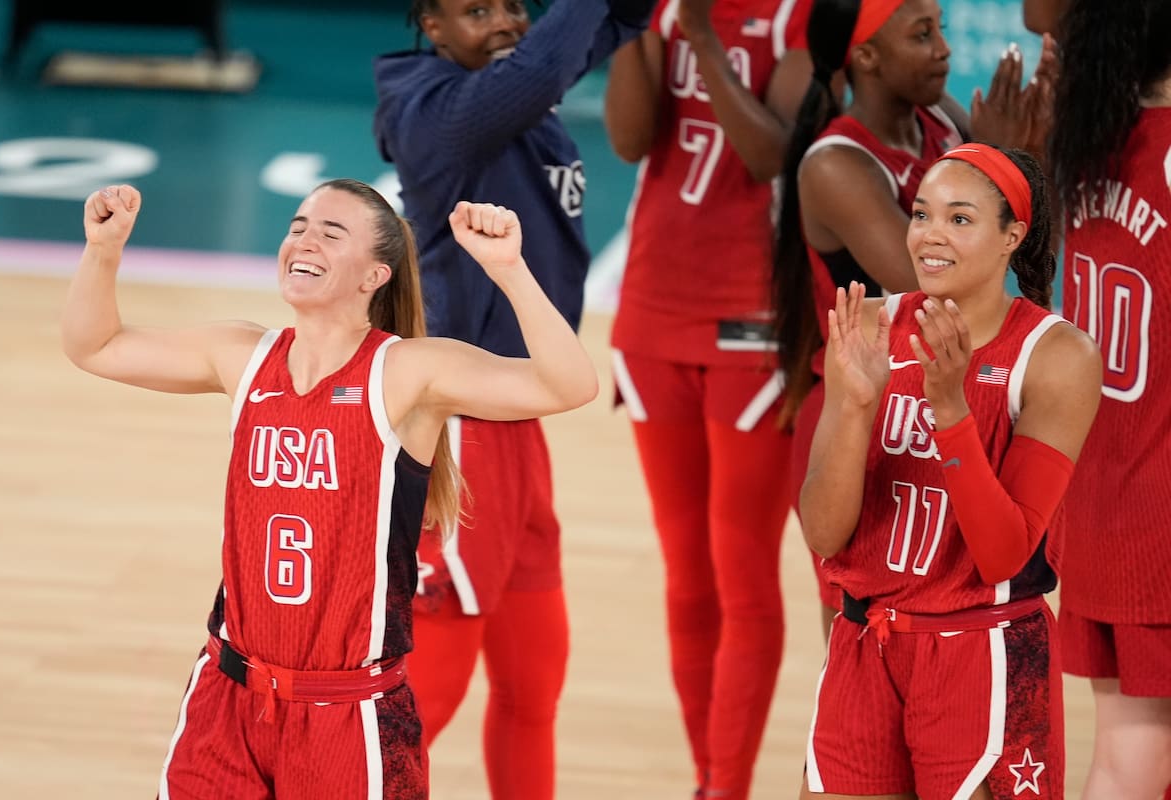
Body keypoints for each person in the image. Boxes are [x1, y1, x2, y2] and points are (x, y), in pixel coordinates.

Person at [60, 181, 598, 800]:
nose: (304, 240)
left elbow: (569, 386)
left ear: (375, 275)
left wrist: (509, 271)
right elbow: (93, 346)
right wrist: (103, 251)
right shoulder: (241, 354)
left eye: (330, 232)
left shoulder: (408, 371)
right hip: (227, 695)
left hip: (348, 716)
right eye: (297, 225)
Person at [372, 2, 651, 797]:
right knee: (420, 711)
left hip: (519, 430)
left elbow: (612, 23)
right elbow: (539, 69)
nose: (504, 20)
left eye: (512, 6)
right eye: (475, 9)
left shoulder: (508, 92)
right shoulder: (437, 114)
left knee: (534, 689)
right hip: (459, 437)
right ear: (428, 25)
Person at [798, 143, 1101, 799]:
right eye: (921, 215)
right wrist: (853, 406)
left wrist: (952, 409)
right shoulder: (873, 327)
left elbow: (1002, 554)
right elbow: (824, 536)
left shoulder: (1057, 357)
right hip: (865, 642)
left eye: (960, 219)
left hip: (984, 654)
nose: (931, 236)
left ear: (1011, 236)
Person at [772, 0, 1048, 631]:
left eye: (942, 30)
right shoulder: (836, 162)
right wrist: (999, 153)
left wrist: (1031, 148)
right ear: (865, 56)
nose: (944, 50)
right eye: (922, 35)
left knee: (958, 610)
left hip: (947, 398)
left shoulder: (941, 123)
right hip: (858, 409)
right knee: (861, 626)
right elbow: (929, 288)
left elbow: (1016, 236)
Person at [602, 0, 814, 797]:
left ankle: (727, 784)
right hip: (653, 311)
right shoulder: (655, 11)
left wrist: (703, 44)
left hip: (754, 318)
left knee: (744, 573)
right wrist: (629, 25)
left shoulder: (795, 14)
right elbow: (628, 139)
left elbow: (769, 155)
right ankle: (705, 780)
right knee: (687, 573)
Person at [1043, 1, 1171, 797]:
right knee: (1134, 765)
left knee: (1128, 754)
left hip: (1098, 501)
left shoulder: (1090, 137)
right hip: (1157, 510)